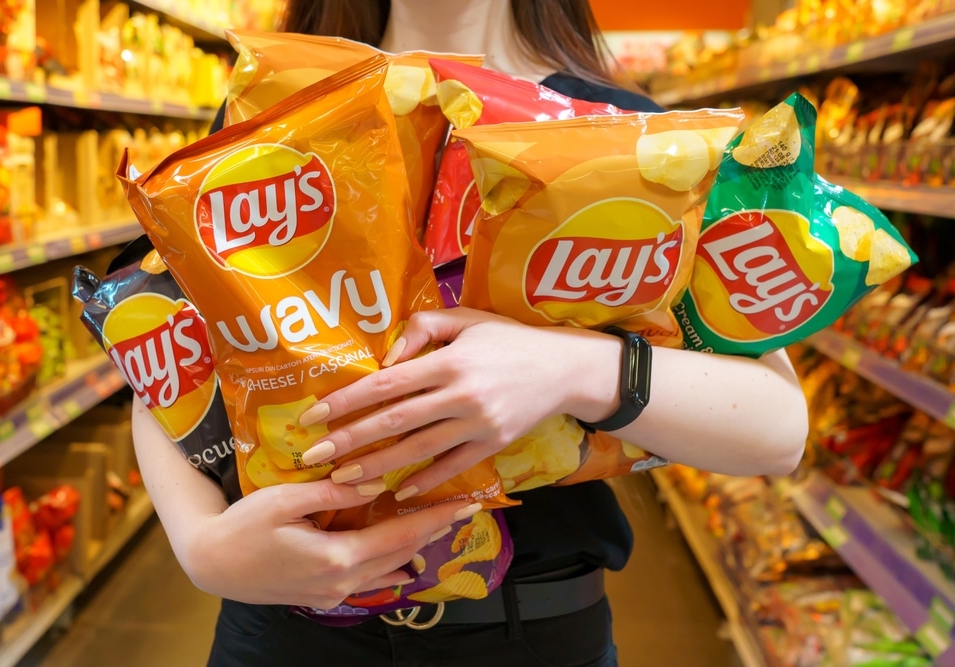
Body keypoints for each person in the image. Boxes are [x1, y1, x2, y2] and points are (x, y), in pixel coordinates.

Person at [130, 1, 809, 665]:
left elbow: (778, 424)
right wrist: (200, 544)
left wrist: (569, 368)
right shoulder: (273, 98)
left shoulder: (640, 140)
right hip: (283, 627)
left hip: (532, 630)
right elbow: (166, 357)